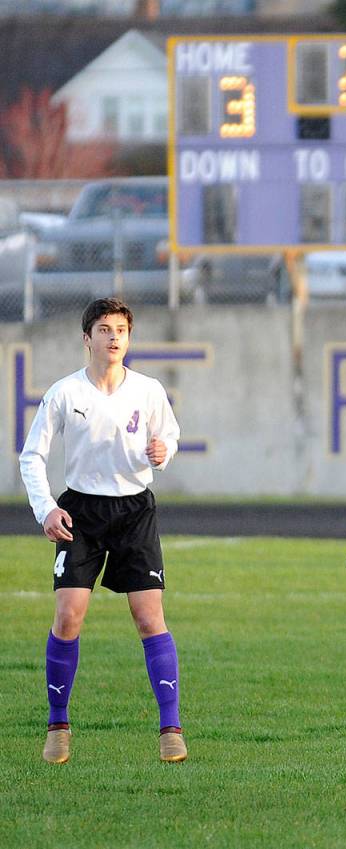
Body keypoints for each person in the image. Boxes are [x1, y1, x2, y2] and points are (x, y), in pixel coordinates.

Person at [19, 298, 185, 765]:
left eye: (121, 330)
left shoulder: (149, 390)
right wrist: (46, 509)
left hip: (135, 511)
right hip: (80, 513)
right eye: (104, 329)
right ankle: (58, 724)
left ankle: (170, 728)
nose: (114, 338)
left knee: (149, 617)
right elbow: (32, 456)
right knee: (69, 616)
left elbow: (169, 435)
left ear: (129, 339)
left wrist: (162, 450)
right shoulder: (65, 393)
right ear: (86, 338)